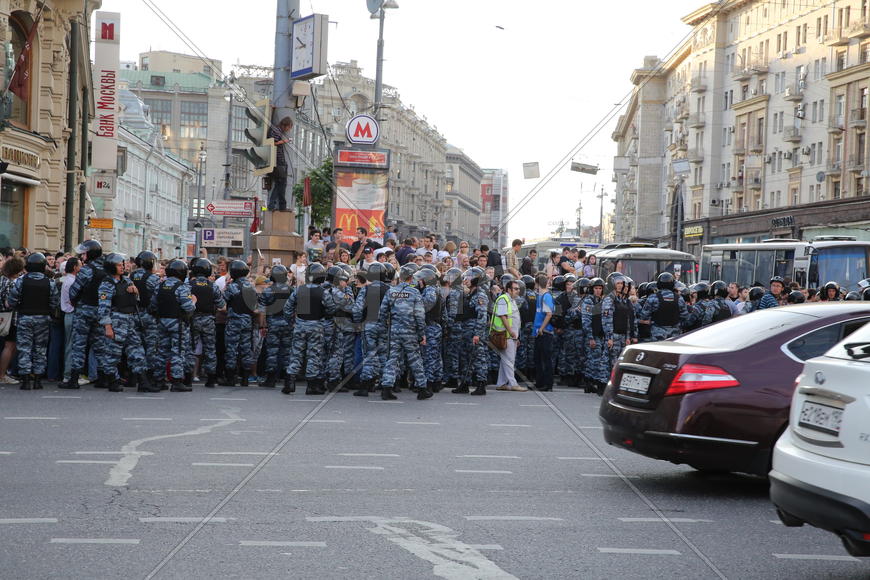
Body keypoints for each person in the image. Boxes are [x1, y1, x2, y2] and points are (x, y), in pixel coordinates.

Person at [97, 253, 154, 393]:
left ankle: (143, 382)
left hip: (130, 320)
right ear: (111, 266)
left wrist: (135, 291)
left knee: (137, 351)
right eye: (118, 265)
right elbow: (103, 307)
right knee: (112, 354)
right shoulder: (107, 284)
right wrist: (108, 327)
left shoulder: (126, 281)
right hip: (116, 321)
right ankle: (113, 381)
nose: (122, 267)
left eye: (122, 264)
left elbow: (136, 300)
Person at [377, 264, 431, 400]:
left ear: (400, 277)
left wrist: (384, 329)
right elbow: (419, 315)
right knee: (415, 359)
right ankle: (422, 388)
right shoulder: (415, 293)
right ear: (411, 278)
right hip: (410, 332)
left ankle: (386, 388)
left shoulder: (391, 291)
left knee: (392, 359)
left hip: (394, 331)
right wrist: (421, 333)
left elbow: (382, 313)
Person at [7, 253, 59, 390]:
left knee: (24, 348)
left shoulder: (21, 281)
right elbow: (54, 302)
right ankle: (37, 380)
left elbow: (11, 301)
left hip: (24, 317)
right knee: (40, 349)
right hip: (43, 319)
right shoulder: (50, 282)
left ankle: (25, 380)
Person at [284, 263, 333, 395]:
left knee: (296, 354)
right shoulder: (323, 292)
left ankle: (289, 382)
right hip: (316, 326)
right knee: (314, 355)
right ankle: (311, 386)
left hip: (300, 325)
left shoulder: (299, 290)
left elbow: (288, 308)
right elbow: (331, 309)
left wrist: (292, 322)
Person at [64, 240, 107, 389]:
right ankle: (103, 378)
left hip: (85, 311)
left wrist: (76, 302)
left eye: (84, 253)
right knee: (100, 345)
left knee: (79, 345)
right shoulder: (106, 269)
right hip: (101, 312)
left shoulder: (87, 270)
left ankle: (74, 379)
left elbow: (74, 291)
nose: (82, 256)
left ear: (89, 253)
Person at [151, 259, 196, 392]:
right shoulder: (182, 287)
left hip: (161, 322)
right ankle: (176, 381)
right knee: (177, 351)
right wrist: (193, 301)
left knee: (161, 351)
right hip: (178, 323)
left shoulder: (160, 285)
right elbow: (188, 308)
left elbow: (153, 305)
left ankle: (158, 380)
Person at [351, 262, 390, 397]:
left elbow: (357, 310)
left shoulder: (366, 289)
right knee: (384, 355)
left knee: (369, 355)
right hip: (384, 325)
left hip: (369, 325)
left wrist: (358, 323)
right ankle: (387, 385)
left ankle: (365, 386)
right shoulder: (389, 289)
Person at [188, 258, 225, 387]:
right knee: (210, 349)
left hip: (192, 319)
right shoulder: (212, 286)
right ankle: (211, 378)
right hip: (208, 320)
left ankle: (188, 377)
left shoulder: (189, 285)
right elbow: (221, 305)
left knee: (190, 348)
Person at [222, 260, 257, 386]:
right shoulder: (251, 287)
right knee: (246, 349)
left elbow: (222, 302)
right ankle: (245, 379)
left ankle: (231, 378)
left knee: (232, 349)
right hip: (247, 321)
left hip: (234, 322)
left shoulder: (233, 287)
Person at [258, 264, 293, 389]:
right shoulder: (290, 290)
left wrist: (262, 326)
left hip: (273, 323)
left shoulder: (268, 290)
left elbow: (262, 310)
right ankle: (288, 380)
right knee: (287, 352)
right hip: (288, 324)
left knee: (272, 351)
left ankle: (271, 379)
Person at [492, 280, 525, 391]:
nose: (518, 291)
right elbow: (503, 317)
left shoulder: (512, 300)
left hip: (511, 335)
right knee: (509, 360)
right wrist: (511, 332)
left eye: (518, 289)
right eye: (515, 289)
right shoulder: (503, 299)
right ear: (509, 290)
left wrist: (515, 336)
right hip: (505, 334)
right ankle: (513, 383)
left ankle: (501, 384)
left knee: (505, 360)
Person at [415, 267, 444, 394]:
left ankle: (429, 383)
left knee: (429, 356)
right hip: (435, 326)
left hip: (430, 326)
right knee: (435, 356)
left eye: (420, 279)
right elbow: (444, 312)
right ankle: (436, 381)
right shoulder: (435, 290)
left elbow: (425, 306)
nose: (419, 282)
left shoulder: (430, 290)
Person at [639, 272, 688, 341]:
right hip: (675, 335)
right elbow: (685, 317)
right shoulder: (679, 298)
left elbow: (644, 316)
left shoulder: (652, 298)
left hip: (657, 335)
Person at [532, 273, 555, 391]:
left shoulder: (546, 296)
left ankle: (547, 383)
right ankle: (540, 382)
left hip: (544, 332)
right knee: (538, 358)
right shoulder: (541, 296)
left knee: (545, 359)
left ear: (537, 284)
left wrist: (541, 328)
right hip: (539, 332)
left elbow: (549, 314)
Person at [267, 116, 294, 211]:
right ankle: (279, 206)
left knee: (280, 184)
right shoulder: (276, 131)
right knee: (281, 184)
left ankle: (275, 205)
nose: (289, 130)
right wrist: (284, 141)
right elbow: (273, 143)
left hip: (277, 161)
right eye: (289, 127)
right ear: (286, 125)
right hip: (278, 161)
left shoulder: (276, 130)